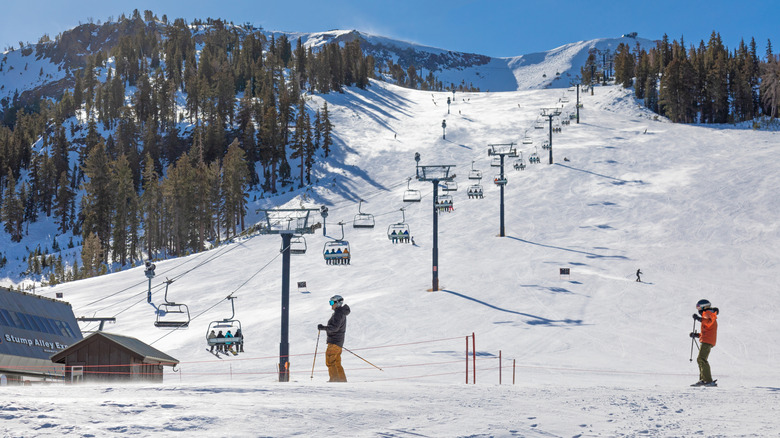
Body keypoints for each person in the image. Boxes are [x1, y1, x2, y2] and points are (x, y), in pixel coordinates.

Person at [317, 295, 351, 382]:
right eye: (330, 302)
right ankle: (341, 380)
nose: (331, 305)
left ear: (338, 303)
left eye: (332, 302)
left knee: (330, 361)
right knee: (336, 362)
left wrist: (323, 327)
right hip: (338, 342)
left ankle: (335, 380)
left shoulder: (338, 313)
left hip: (334, 342)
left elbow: (334, 328)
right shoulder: (340, 313)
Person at [690, 299, 719, 386]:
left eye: (699, 307)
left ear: (704, 307)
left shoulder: (708, 314)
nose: (698, 309)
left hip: (707, 340)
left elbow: (709, 322)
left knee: (701, 359)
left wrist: (699, 319)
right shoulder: (707, 314)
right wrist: (697, 335)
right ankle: (703, 379)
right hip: (707, 339)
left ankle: (708, 380)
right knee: (701, 359)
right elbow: (707, 330)